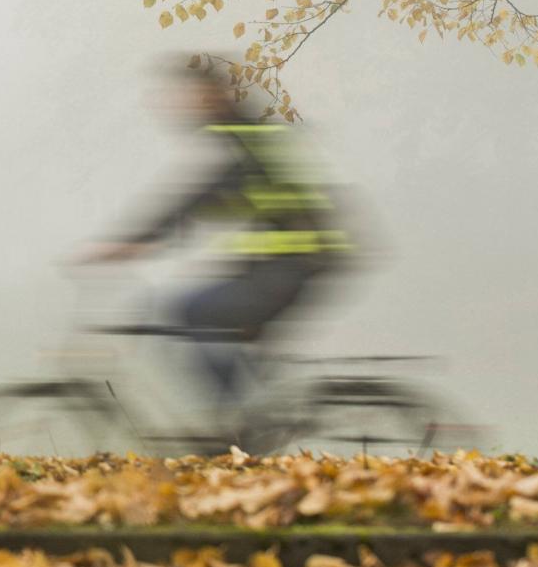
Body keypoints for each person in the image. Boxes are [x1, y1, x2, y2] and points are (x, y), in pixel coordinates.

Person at [71, 57, 353, 448]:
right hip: (292, 266)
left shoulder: (247, 140)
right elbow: (209, 200)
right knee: (211, 322)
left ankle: (238, 419)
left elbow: (202, 197)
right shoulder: (244, 136)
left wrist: (133, 242)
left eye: (194, 95)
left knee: (189, 310)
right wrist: (145, 239)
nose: (185, 104)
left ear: (218, 95)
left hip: (295, 267)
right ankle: (245, 416)